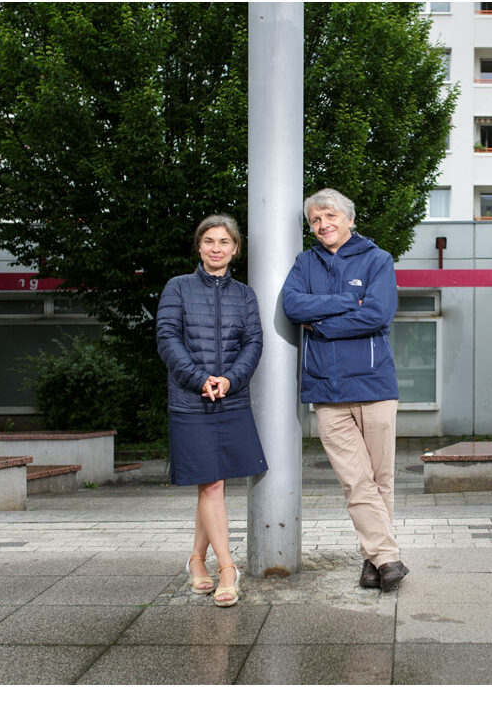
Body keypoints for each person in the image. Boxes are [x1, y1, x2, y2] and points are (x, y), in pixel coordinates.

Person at [280, 188, 409, 591]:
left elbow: (377, 313)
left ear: (350, 219)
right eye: (315, 220)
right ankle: (387, 559)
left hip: (374, 386)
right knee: (356, 481)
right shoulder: (305, 262)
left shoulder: (377, 260)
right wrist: (344, 301)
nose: (323, 225)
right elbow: (293, 306)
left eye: (330, 216)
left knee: (379, 479)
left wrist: (322, 324)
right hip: (326, 392)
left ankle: (373, 563)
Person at [156, 214, 267, 607]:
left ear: (236, 249)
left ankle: (195, 560)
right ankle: (227, 568)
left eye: (224, 242)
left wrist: (230, 380)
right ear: (199, 246)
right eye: (209, 241)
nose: (216, 248)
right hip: (190, 400)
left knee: (213, 482)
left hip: (230, 398)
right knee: (212, 484)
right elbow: (167, 338)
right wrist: (199, 378)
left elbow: (253, 343)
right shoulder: (178, 288)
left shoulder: (245, 295)